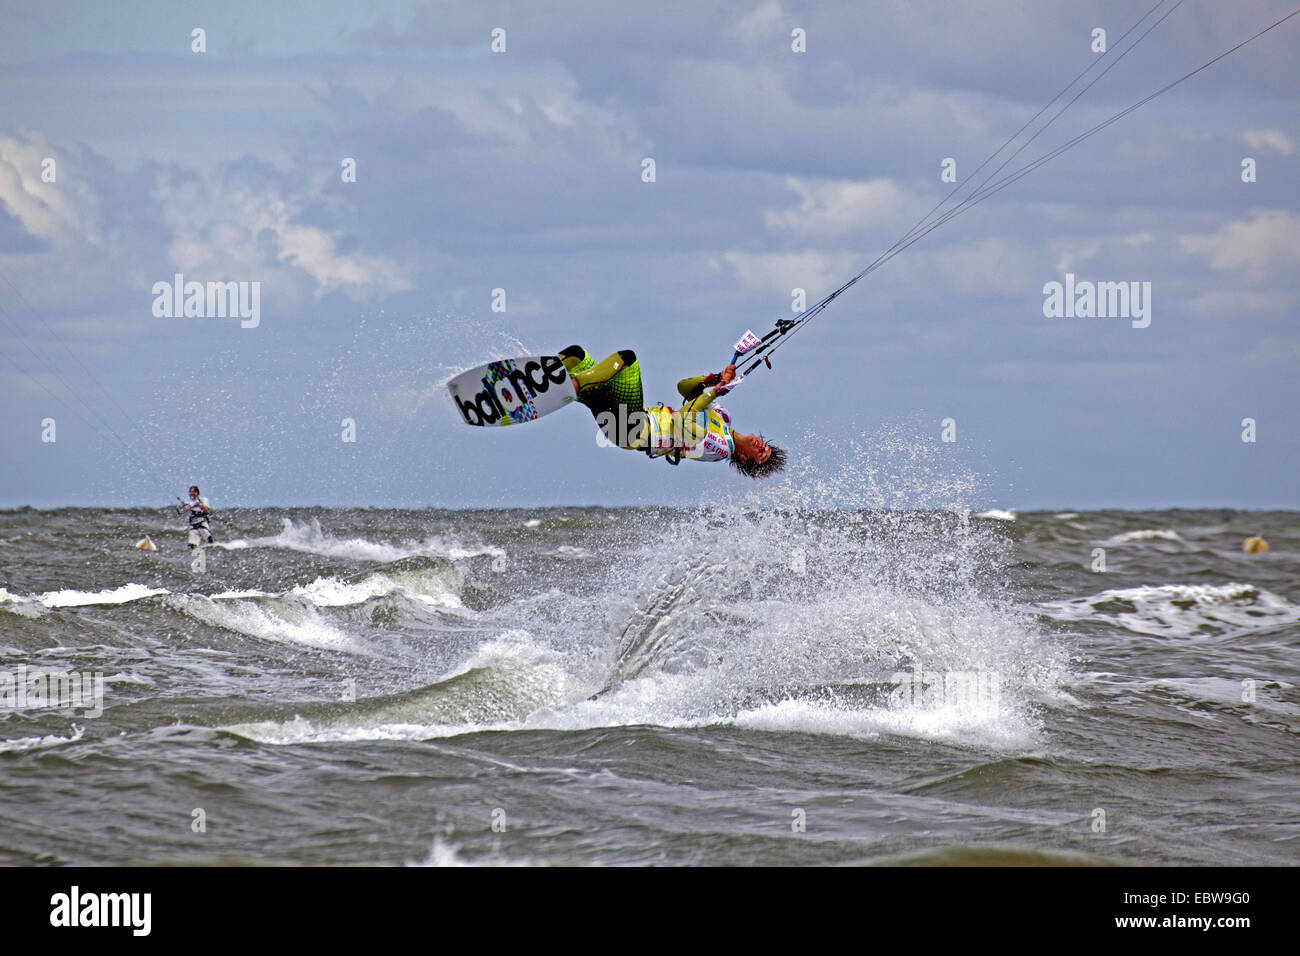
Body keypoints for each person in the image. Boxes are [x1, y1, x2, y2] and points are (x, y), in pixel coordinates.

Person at [559, 346, 786, 477]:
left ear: (745, 458)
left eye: (761, 454)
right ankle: (542, 375)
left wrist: (715, 392)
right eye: (765, 446)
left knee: (627, 359)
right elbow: (684, 389)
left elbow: (681, 420)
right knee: (577, 355)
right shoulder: (723, 418)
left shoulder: (721, 449)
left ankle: (572, 384)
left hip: (634, 431)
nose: (761, 446)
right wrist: (713, 380)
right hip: (628, 421)